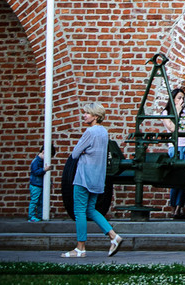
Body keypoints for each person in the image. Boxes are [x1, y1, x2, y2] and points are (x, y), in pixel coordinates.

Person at [65, 102, 122, 258]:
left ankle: (80, 248)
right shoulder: (104, 132)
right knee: (90, 209)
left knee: (79, 212)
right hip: (97, 177)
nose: (84, 115)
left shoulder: (89, 132)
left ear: (96, 116)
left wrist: (83, 151)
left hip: (83, 177)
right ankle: (113, 236)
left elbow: (75, 154)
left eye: (87, 113)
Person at [161, 88, 185, 219]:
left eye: (183, 98)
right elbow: (172, 128)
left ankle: (179, 208)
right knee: (175, 177)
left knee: (184, 178)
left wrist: (184, 131)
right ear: (173, 99)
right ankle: (173, 206)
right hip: (176, 147)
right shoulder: (166, 113)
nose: (182, 101)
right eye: (179, 98)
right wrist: (176, 111)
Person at [28, 147, 51, 221]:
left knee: (41, 202)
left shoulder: (42, 162)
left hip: (40, 185)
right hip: (35, 185)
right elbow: (36, 172)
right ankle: (31, 216)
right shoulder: (36, 161)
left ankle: (41, 215)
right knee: (34, 201)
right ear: (43, 152)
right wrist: (44, 169)